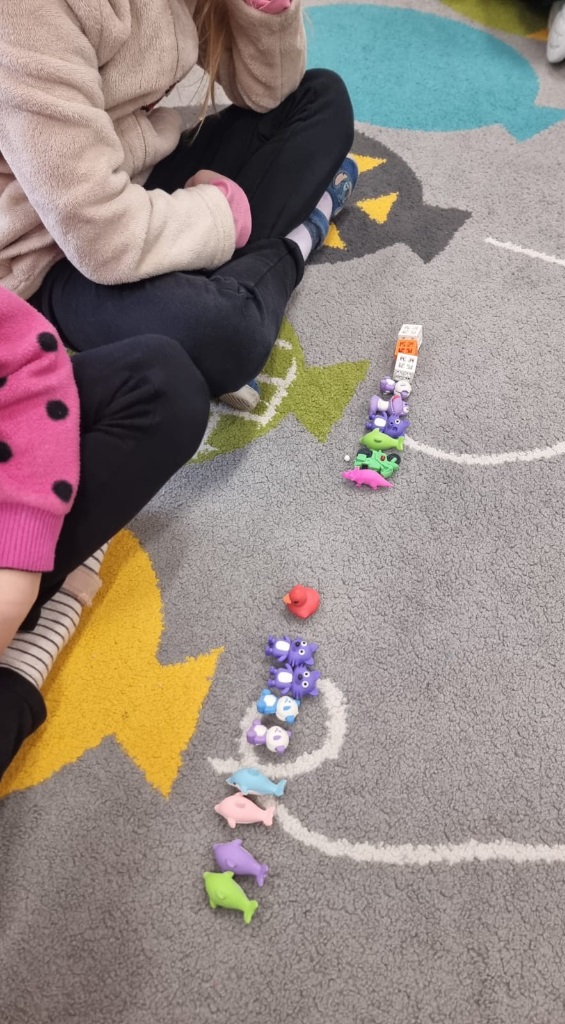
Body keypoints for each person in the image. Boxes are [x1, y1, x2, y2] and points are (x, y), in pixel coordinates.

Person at [0, 0, 356, 781]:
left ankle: (253, 268)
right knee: (221, 337)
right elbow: (101, 238)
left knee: (321, 101)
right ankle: (288, 249)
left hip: (131, 177)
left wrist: (262, 11)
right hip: (43, 258)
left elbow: (271, 92)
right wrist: (218, 214)